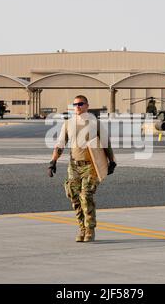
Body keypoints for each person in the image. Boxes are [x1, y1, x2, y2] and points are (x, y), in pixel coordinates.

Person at [48, 95, 116, 242]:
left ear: (87, 106)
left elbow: (106, 143)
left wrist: (112, 161)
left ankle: (90, 229)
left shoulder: (95, 123)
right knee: (74, 197)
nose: (77, 107)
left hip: (91, 165)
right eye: (75, 104)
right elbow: (60, 144)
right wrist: (53, 161)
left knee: (86, 196)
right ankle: (82, 228)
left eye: (80, 104)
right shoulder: (68, 124)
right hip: (74, 165)